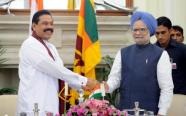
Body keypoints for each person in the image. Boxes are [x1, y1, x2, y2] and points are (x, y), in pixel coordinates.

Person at [16, 10, 97, 115]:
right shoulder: (29, 45)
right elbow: (56, 70)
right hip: (34, 104)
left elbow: (60, 73)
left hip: (49, 102)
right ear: (34, 26)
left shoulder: (51, 47)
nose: (49, 27)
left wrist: (80, 84)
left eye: (51, 24)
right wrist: (83, 81)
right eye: (45, 23)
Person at [104, 11, 174, 116]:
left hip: (150, 111)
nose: (138, 33)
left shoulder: (161, 54)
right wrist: (107, 86)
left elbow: (166, 87)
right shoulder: (122, 52)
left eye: (142, 29)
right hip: (124, 110)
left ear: (150, 30)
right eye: (135, 30)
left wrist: (162, 112)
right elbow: (115, 79)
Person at [155, 16, 186, 95]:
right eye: (157, 33)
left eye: (163, 32)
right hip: (158, 96)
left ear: (170, 30)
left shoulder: (182, 49)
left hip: (179, 95)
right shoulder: (152, 51)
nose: (160, 36)